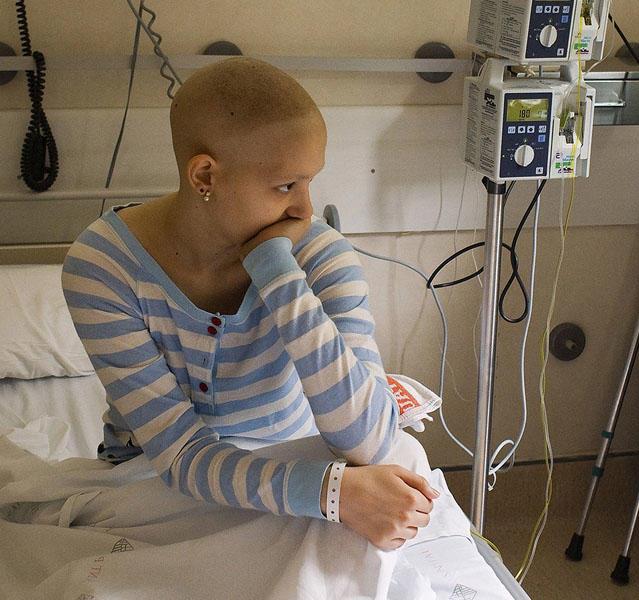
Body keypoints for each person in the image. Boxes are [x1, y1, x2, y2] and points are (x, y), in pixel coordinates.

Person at [61, 57, 439, 551]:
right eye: (285, 186)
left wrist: (276, 271)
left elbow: (370, 441)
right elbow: (180, 455)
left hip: (292, 461)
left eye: (310, 181)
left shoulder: (321, 256)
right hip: (151, 482)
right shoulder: (103, 266)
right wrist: (330, 494)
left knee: (398, 472)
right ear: (205, 175)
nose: (305, 209)